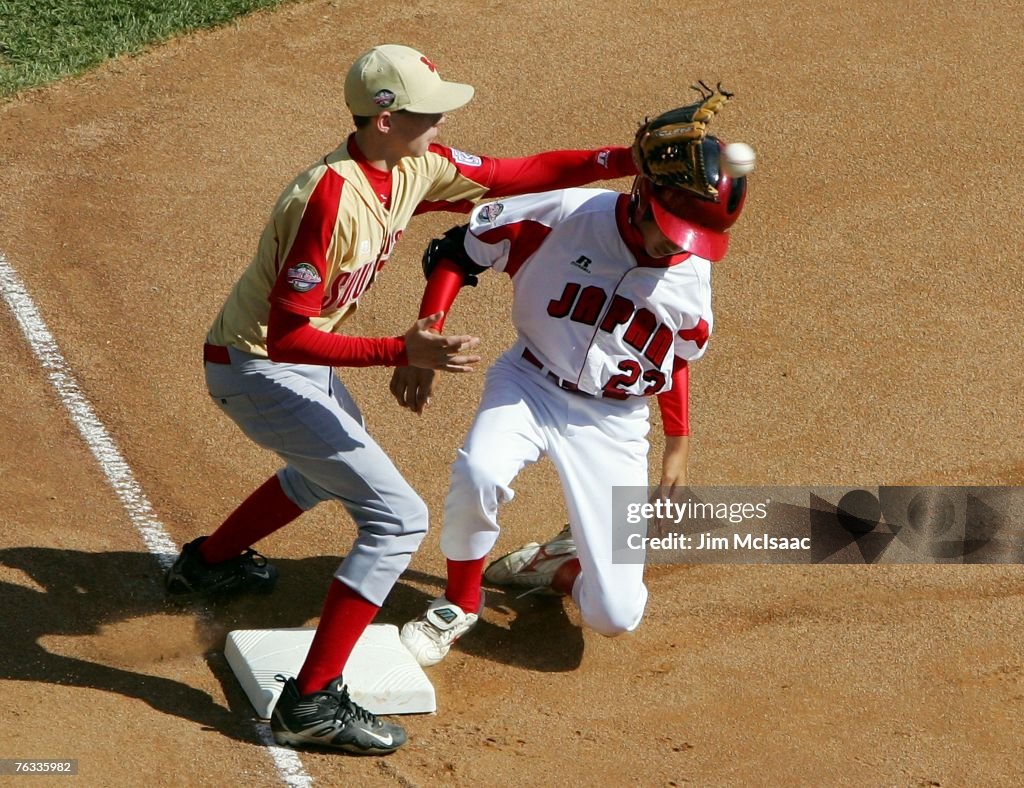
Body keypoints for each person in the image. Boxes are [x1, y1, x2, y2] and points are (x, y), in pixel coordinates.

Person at [162, 43, 639, 755]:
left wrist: (626, 157)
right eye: (428, 112)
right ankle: (312, 703)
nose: (442, 122)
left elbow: (520, 174)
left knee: (324, 469)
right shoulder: (327, 198)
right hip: (257, 369)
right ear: (384, 118)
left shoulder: (414, 164)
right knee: (395, 519)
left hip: (294, 363)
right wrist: (400, 349)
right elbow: (290, 337)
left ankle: (210, 563)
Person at [394, 126, 750, 668]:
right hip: (529, 382)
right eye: (674, 227)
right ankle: (459, 602)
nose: (677, 244)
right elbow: (457, 250)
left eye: (693, 235)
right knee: (480, 472)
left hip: (614, 420)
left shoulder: (691, 282)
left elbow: (674, 358)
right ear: (642, 195)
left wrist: (678, 443)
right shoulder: (567, 215)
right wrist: (428, 332)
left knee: (615, 616)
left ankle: (557, 565)